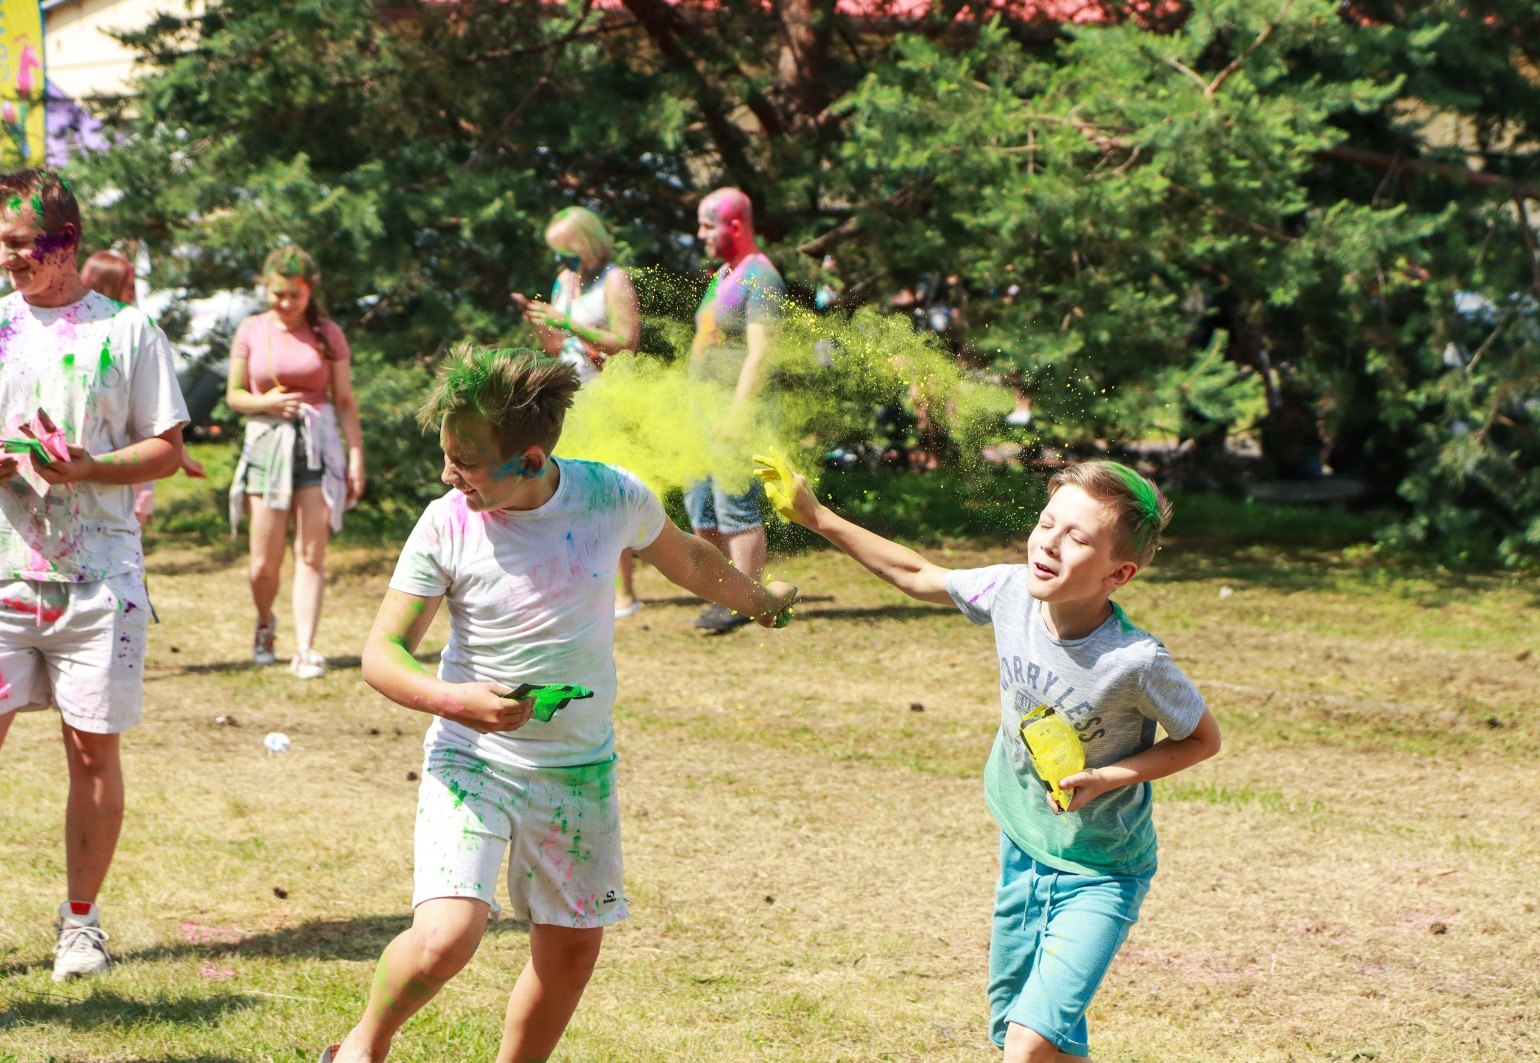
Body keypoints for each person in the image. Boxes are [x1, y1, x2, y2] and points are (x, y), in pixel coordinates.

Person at [320, 346, 795, 1063]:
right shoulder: (447, 523)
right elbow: (380, 655)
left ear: (531, 459)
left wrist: (760, 601)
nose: (449, 473)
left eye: (467, 461)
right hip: (473, 757)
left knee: (571, 953)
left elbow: (690, 559)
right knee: (447, 937)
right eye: (447, 454)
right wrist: (460, 702)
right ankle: (361, 1046)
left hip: (578, 768)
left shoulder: (611, 498)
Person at [755, 455, 1222, 1063]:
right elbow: (917, 571)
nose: (1049, 542)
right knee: (1020, 1036)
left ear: (1119, 573)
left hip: (1102, 871)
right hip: (1023, 846)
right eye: (1047, 522)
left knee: (1026, 1047)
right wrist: (816, 516)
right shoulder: (1008, 593)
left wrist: (1109, 777)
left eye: (1077, 537)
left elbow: (1202, 738)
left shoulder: (1135, 661)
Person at [0, 169, 189, 982]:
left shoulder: (129, 333)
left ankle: (80, 924)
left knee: (90, 753)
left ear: (65, 243)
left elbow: (169, 449)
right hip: (4, 574)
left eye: (19, 245)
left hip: (99, 578)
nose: (7, 258)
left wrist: (86, 467)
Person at [226, 245, 364, 679]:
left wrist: (356, 457)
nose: (286, 304)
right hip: (268, 444)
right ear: (265, 289)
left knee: (311, 555)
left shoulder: (327, 333)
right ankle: (265, 622)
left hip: (319, 445)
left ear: (310, 291)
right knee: (263, 563)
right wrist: (262, 401)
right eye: (278, 294)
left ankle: (305, 649)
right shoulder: (251, 330)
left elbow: (344, 400)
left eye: (295, 295)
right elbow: (234, 394)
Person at [511, 206, 645, 618]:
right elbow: (556, 346)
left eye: (568, 252)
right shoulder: (564, 282)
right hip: (568, 401)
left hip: (607, 398)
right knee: (569, 492)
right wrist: (536, 320)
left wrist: (566, 321)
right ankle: (583, 586)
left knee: (609, 494)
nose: (563, 262)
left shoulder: (615, 279)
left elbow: (627, 341)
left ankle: (625, 592)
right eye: (558, 254)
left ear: (588, 244)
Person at [685, 187, 784, 633]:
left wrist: (736, 414)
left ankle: (747, 600)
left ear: (735, 226)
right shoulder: (723, 274)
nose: (700, 233)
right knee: (701, 508)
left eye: (708, 224)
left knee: (734, 509)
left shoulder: (761, 277)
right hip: (703, 414)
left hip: (735, 415)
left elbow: (761, 354)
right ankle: (724, 592)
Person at [78, 250, 205, 523]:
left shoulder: (138, 331)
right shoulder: (87, 338)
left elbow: (156, 418)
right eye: (130, 285)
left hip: (135, 465)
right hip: (94, 469)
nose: (134, 293)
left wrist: (181, 457)